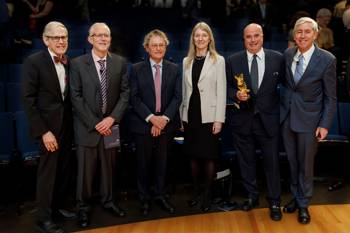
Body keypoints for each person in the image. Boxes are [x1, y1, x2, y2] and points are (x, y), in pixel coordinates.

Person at [70, 22, 130, 228]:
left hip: (111, 126)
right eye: (99, 35)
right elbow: (75, 97)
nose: (103, 39)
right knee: (85, 174)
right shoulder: (77, 64)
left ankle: (108, 201)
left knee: (109, 169)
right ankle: (83, 208)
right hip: (88, 128)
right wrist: (96, 123)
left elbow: (125, 94)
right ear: (90, 39)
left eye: (107, 35)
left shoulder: (120, 63)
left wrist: (111, 119)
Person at [280, 17, 337, 224]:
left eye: (306, 32)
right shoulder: (287, 54)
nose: (302, 36)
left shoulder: (327, 59)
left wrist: (324, 124)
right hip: (287, 118)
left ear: (315, 34)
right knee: (293, 163)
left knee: (306, 165)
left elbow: (331, 97)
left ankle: (304, 204)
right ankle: (296, 197)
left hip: (311, 121)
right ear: (294, 35)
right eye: (298, 32)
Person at [226, 23, 284, 221]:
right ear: (243, 39)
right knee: (246, 161)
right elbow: (225, 87)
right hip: (242, 120)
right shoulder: (233, 60)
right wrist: (235, 94)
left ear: (262, 37)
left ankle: (275, 201)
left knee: (272, 163)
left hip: (269, 121)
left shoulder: (277, 58)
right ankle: (252, 196)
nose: (252, 40)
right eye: (248, 36)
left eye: (256, 35)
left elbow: (287, 86)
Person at [22, 21, 74, 233]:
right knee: (48, 173)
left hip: (66, 127)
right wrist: (44, 131)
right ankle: (44, 217)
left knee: (63, 169)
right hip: (48, 130)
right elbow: (28, 100)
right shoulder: (33, 62)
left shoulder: (68, 62)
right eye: (56, 37)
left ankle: (58, 207)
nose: (61, 41)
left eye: (64, 37)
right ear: (46, 40)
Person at [129, 29, 181, 216]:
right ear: (146, 48)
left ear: (166, 47)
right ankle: (144, 199)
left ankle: (161, 195)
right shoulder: (135, 69)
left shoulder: (174, 69)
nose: (158, 48)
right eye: (154, 45)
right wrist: (152, 119)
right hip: (143, 125)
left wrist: (163, 120)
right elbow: (134, 98)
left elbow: (177, 97)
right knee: (143, 164)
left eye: (161, 45)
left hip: (167, 125)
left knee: (163, 163)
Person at [180, 22, 226, 212]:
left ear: (209, 39)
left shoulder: (218, 60)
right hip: (190, 116)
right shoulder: (186, 61)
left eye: (204, 35)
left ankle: (207, 196)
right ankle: (197, 193)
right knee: (193, 157)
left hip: (209, 116)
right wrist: (181, 116)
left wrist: (219, 119)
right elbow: (184, 91)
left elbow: (222, 90)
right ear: (193, 38)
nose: (200, 38)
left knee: (208, 157)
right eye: (197, 35)